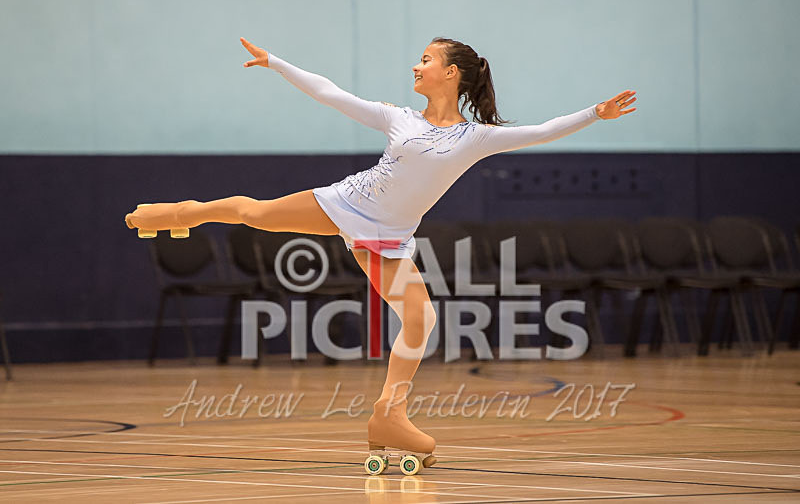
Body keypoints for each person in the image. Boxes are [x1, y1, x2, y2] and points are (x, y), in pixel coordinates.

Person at [125, 36, 636, 475]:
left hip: (389, 238)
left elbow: (541, 131)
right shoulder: (399, 118)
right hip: (347, 204)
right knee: (255, 214)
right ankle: (176, 214)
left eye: (426, 59)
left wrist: (597, 113)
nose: (416, 65)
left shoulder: (475, 137)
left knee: (420, 318)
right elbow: (331, 94)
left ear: (451, 73)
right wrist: (277, 62)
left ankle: (389, 414)